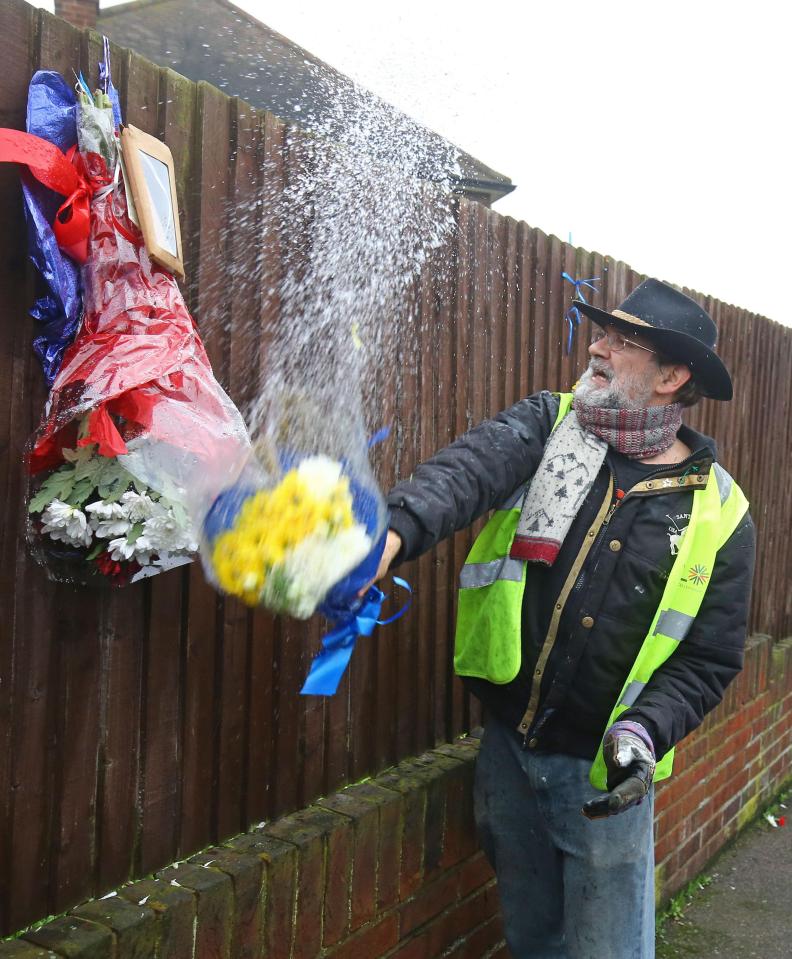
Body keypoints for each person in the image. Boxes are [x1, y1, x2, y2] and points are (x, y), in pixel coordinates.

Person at [371, 278, 756, 959]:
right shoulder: (552, 423)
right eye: (602, 332)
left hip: (605, 779)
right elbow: (465, 474)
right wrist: (391, 533)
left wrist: (644, 731)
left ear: (672, 375)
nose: (598, 347)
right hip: (508, 758)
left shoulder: (721, 510)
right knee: (533, 939)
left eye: (622, 341)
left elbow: (710, 658)